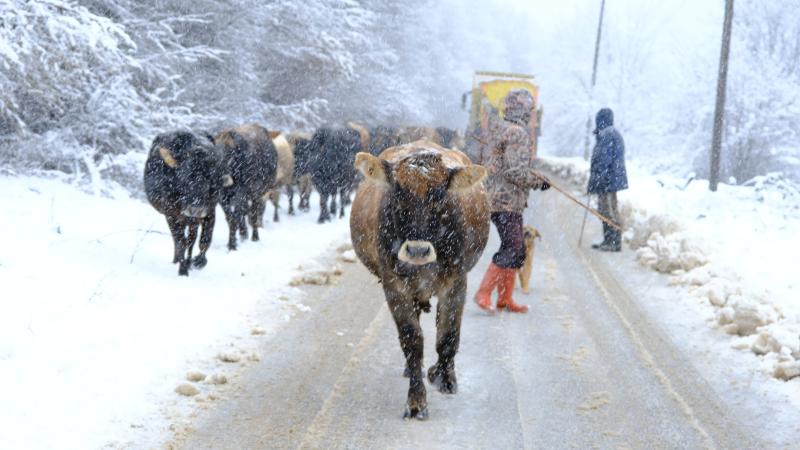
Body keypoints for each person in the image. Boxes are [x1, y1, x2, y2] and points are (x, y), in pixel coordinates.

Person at [474, 89, 549, 313]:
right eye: (530, 109)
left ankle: (505, 299)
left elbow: (499, 163)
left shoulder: (499, 129)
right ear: (523, 109)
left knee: (517, 250)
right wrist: (538, 182)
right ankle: (484, 293)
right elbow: (515, 171)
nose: (531, 114)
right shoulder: (518, 133)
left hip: (497, 197)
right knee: (513, 247)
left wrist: (535, 177)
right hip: (506, 199)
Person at [587, 107, 628, 252]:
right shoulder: (607, 134)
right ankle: (608, 240)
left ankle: (614, 241)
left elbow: (604, 160)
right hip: (607, 179)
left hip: (608, 181)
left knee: (609, 210)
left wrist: (599, 179)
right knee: (604, 209)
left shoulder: (609, 135)